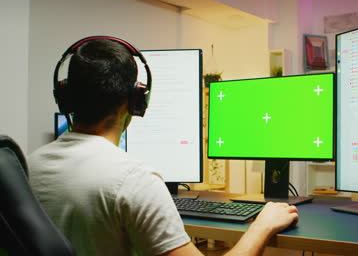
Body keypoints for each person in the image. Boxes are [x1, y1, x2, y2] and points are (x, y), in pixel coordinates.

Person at [28, 37, 299, 256]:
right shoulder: (133, 180)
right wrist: (262, 226)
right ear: (136, 102)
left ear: (64, 96)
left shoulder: (25, 167)